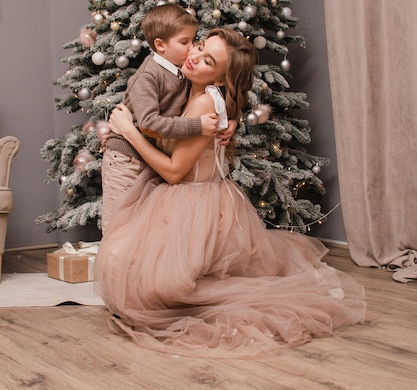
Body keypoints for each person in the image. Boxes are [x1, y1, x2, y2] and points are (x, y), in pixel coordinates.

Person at [94, 28, 366, 358]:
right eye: (198, 48)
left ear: (221, 78)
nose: (193, 57)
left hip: (190, 198)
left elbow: (174, 172)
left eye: (208, 60)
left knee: (146, 290)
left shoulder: (203, 104)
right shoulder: (196, 92)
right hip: (212, 196)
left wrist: (128, 132)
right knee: (134, 268)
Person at [101, 3, 236, 233]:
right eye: (186, 43)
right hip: (125, 157)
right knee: (117, 224)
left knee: (138, 226)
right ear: (160, 45)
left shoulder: (181, 71)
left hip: (145, 156)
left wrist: (229, 122)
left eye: (195, 42)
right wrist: (198, 125)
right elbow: (150, 123)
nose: (192, 50)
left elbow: (213, 96)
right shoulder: (149, 75)